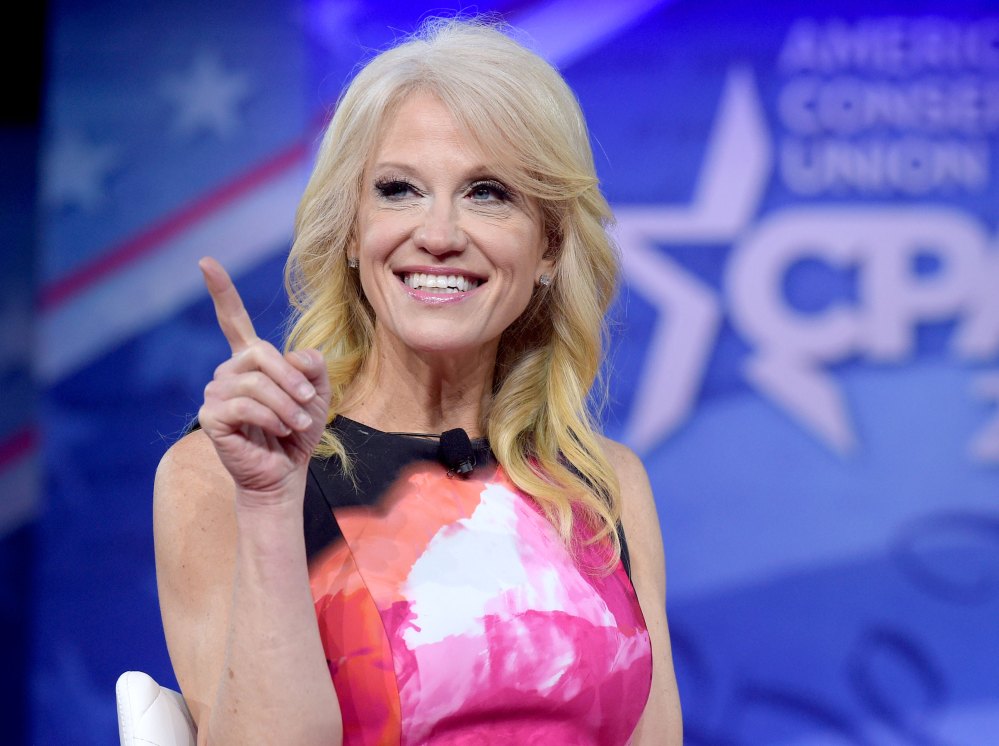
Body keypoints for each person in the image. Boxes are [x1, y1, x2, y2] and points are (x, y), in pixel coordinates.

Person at [154, 16, 682, 745]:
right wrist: (272, 504)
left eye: (488, 193)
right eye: (399, 190)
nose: (438, 234)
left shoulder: (603, 485)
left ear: (549, 246)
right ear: (350, 231)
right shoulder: (220, 476)